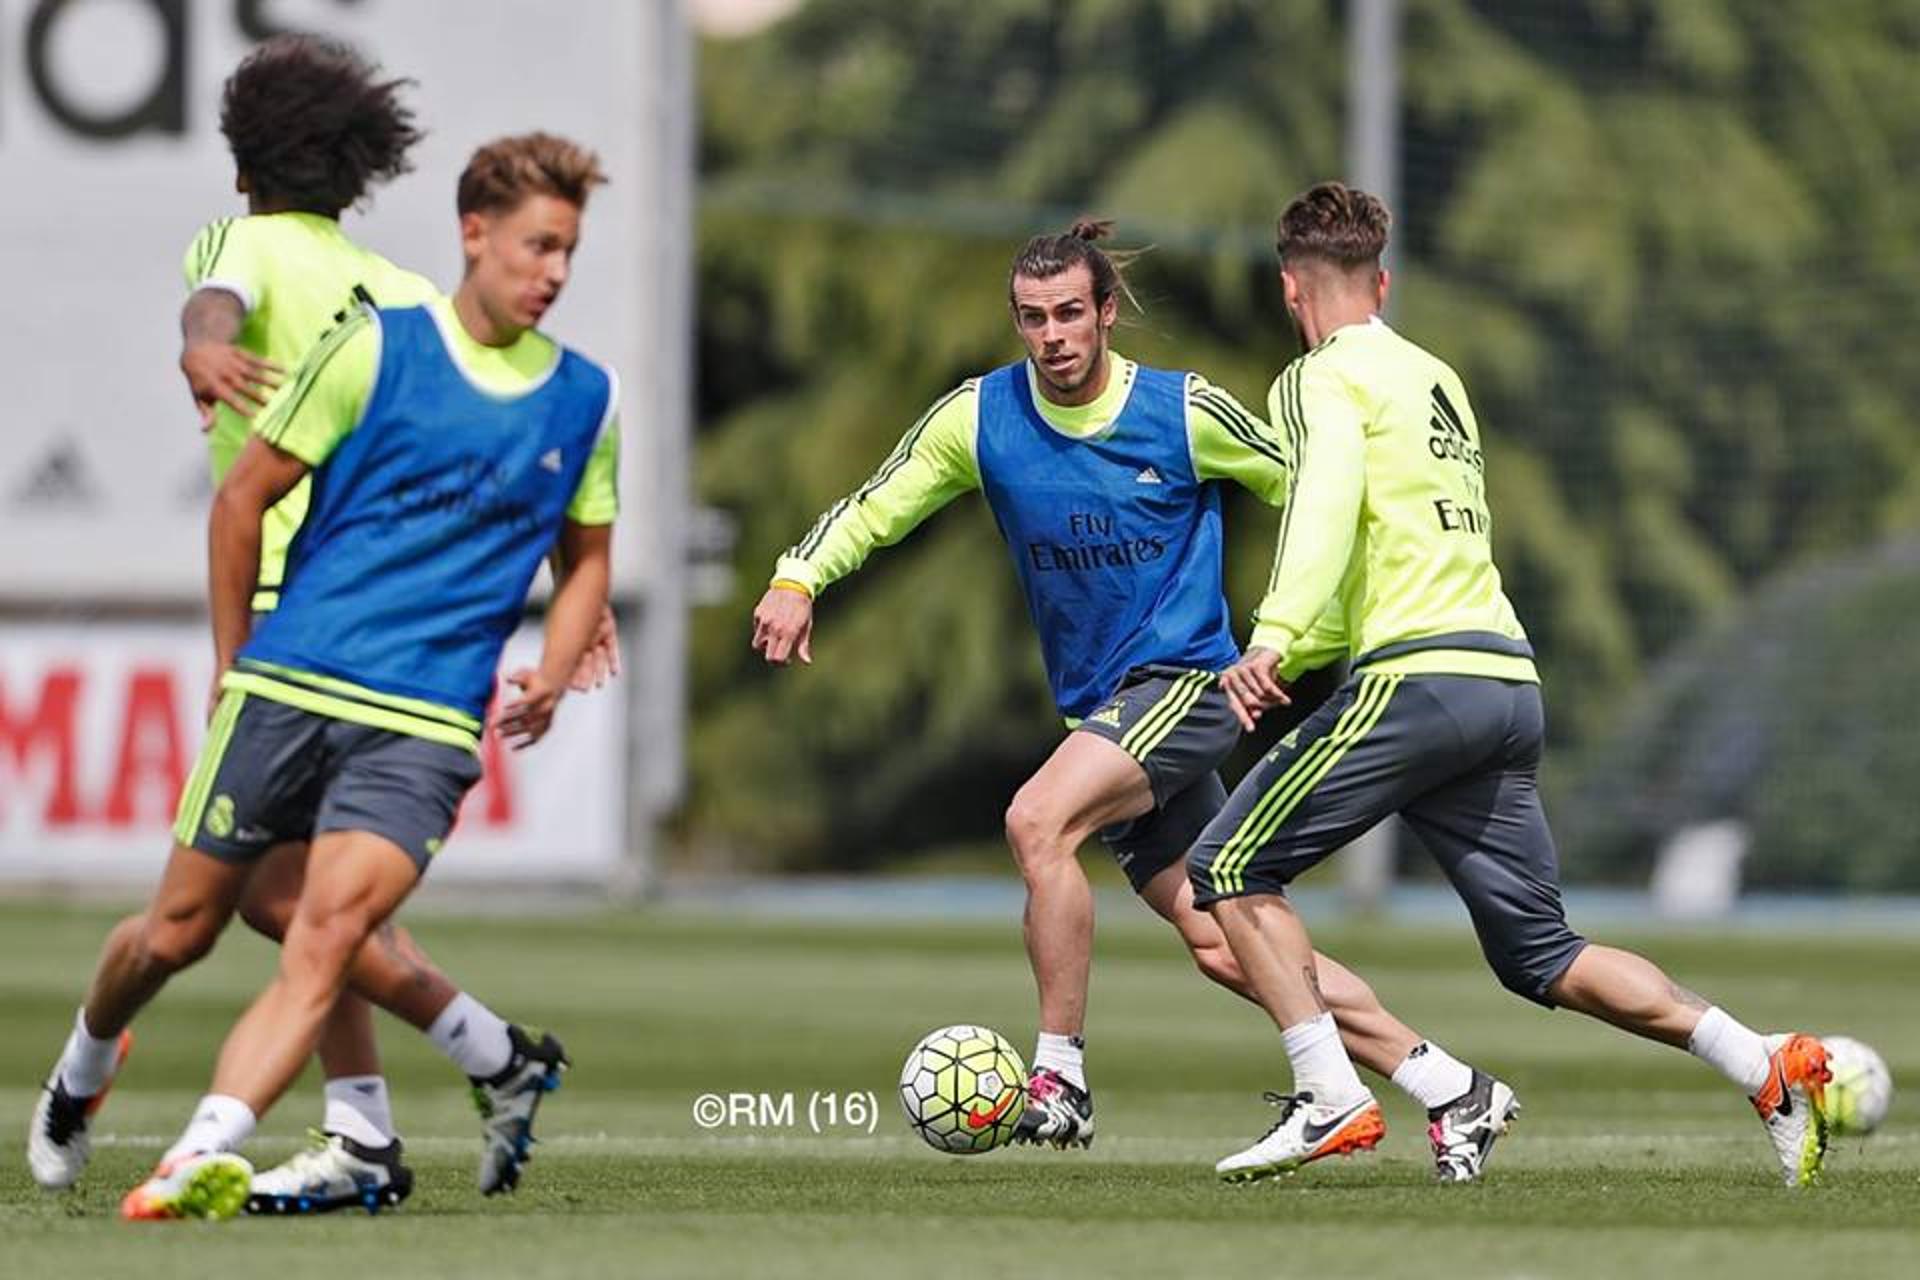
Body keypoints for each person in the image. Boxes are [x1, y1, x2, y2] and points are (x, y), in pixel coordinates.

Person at [752, 222, 1518, 1181]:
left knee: (1037, 820)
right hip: (1103, 712)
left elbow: (1319, 483)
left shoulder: (1183, 410)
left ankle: (1059, 1082)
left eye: (1071, 313)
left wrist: (1387, 589)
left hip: (1189, 687)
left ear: (1106, 314)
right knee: (1222, 939)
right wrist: (799, 577)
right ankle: (1449, 1084)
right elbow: (877, 503)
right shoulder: (980, 418)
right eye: (1032, 318)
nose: (1053, 335)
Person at [27, 39, 590, 1216]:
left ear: (244, 164)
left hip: (320, 624)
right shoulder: (400, 291)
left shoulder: (267, 249)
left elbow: (214, 301)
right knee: (223, 919)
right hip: (302, 630)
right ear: (362, 167)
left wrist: (196, 346)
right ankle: (93, 1064)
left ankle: (373, 1126)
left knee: (307, 913)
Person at [1190, 181, 1832, 1189]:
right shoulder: (1435, 375)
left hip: (1420, 678)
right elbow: (1395, 539)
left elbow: (1322, 511)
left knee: (1226, 865)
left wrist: (1274, 638)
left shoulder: (1317, 378)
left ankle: (1331, 1093)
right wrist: (1307, 650)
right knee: (1541, 953)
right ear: (1384, 283)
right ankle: (1764, 1064)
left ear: (1288, 291)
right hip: (1505, 682)